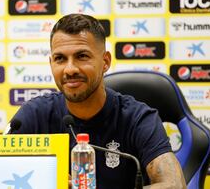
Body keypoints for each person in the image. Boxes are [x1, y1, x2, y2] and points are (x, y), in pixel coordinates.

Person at [11, 13, 186, 189]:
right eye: (60, 59)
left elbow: (174, 185)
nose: (70, 69)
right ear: (51, 64)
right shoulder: (33, 114)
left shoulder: (139, 118)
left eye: (82, 56)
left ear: (105, 61)